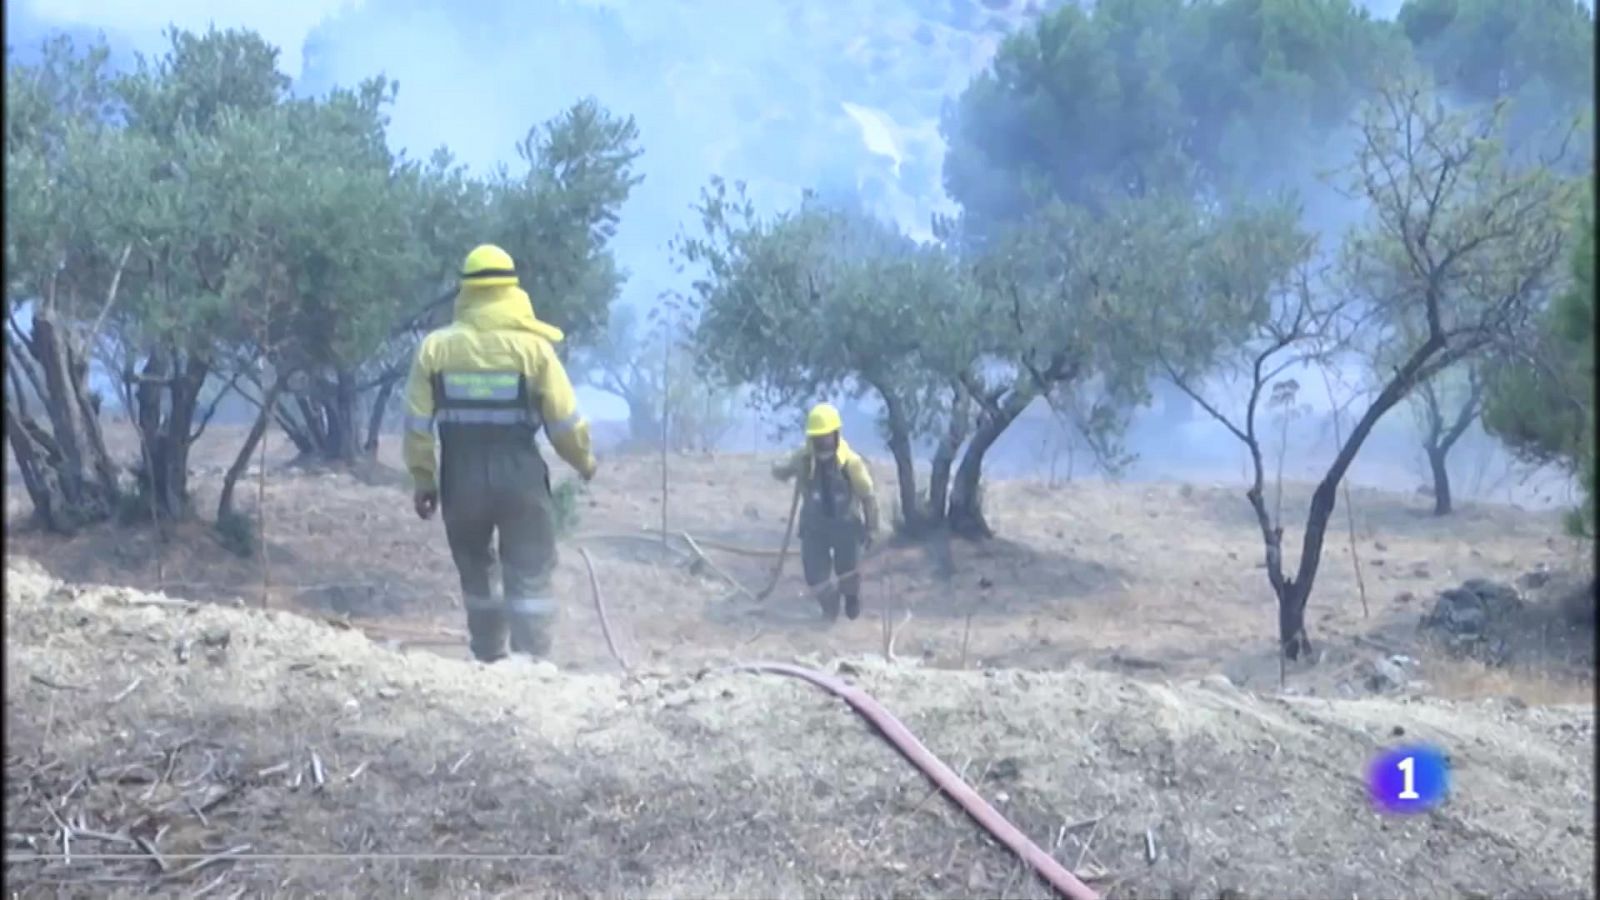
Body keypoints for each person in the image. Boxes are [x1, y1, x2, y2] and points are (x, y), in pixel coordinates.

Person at [402, 244, 597, 663]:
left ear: (465, 290)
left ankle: (488, 661)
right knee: (529, 573)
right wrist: (583, 461)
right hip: (520, 477)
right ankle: (533, 665)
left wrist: (423, 479)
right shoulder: (534, 350)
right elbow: (565, 422)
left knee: (476, 574)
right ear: (511, 288)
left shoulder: (434, 350)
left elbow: (417, 424)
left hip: (460, 479)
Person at [771, 402, 881, 621]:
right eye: (817, 437)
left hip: (846, 527)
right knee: (815, 575)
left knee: (848, 573)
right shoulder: (803, 459)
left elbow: (868, 498)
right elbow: (780, 470)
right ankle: (829, 608)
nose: (822, 442)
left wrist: (872, 529)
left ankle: (851, 598)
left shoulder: (852, 463)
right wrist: (782, 467)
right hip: (814, 527)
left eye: (826, 437)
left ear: (836, 434)